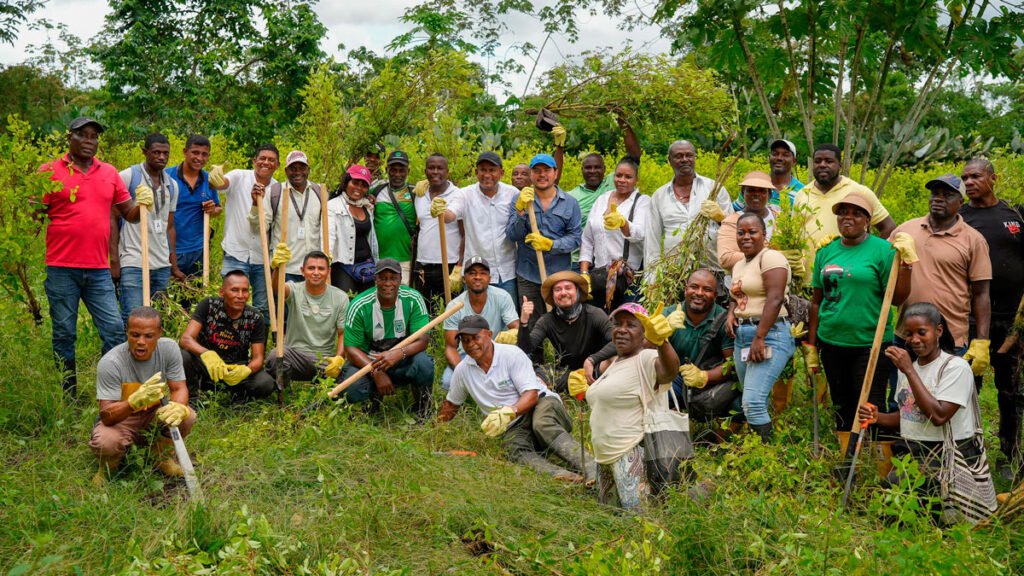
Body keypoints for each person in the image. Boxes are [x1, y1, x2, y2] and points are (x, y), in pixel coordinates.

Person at [41, 117, 150, 399]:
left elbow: (129, 214)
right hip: (62, 267)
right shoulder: (49, 171)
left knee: (114, 330)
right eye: (83, 135)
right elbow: (31, 216)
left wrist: (144, 204)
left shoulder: (109, 173)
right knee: (65, 333)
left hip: (98, 269)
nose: (90, 141)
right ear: (70, 138)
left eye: (94, 136)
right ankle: (69, 395)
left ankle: (113, 391)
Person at [858, 302, 995, 522]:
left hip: (947, 454)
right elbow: (909, 417)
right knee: (890, 505)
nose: (914, 340)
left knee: (902, 501)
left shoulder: (954, 368)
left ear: (938, 331)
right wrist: (878, 417)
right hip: (914, 453)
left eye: (922, 332)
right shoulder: (908, 369)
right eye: (909, 334)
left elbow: (938, 416)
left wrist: (910, 371)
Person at [803, 192, 916, 432]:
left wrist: (906, 266)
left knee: (868, 407)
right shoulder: (826, 252)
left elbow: (896, 298)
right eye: (843, 212)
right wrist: (812, 345)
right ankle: (847, 457)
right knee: (841, 405)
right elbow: (816, 302)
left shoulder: (882, 251)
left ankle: (872, 457)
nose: (848, 218)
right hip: (831, 342)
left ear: (868, 220)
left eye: (856, 214)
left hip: (870, 344)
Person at [438, 315, 597, 483]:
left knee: (542, 424)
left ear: (489, 334)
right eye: (465, 340)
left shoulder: (511, 354)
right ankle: (564, 477)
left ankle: (592, 468)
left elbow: (531, 395)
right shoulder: (462, 370)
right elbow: (451, 404)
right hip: (513, 424)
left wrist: (509, 412)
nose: (471, 344)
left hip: (541, 403)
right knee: (513, 450)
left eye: (476, 338)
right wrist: (436, 431)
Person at [569, 302, 678, 509]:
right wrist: (585, 391)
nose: (621, 330)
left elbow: (669, 371)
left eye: (631, 325)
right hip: (604, 457)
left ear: (644, 332)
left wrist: (662, 342)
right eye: (617, 324)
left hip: (630, 452)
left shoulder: (646, 358)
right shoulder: (614, 364)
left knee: (639, 520)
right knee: (609, 517)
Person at [960, 158, 1024, 477]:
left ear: (993, 179)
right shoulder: (959, 217)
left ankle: (1008, 454)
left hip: (1011, 322)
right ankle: (971, 453)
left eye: (975, 176)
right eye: (965, 178)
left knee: (1010, 390)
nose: (969, 182)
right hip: (970, 321)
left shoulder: (1015, 216)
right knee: (967, 387)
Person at [89, 307, 195, 486]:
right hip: (121, 419)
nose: (141, 342)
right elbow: (106, 415)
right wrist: (131, 403)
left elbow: (179, 388)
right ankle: (108, 466)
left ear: (159, 333)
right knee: (106, 442)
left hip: (153, 413)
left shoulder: (169, 349)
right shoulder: (111, 363)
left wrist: (177, 407)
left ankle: (162, 458)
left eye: (148, 336)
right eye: (135, 335)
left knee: (187, 415)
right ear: (127, 333)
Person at [892, 174, 991, 361]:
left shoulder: (973, 240)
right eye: (935, 193)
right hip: (906, 334)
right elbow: (880, 265)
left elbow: (981, 293)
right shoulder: (906, 230)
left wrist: (982, 340)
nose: (938, 198)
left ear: (961, 202)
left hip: (949, 337)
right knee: (903, 390)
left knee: (944, 390)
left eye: (947, 195)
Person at [725, 212, 795, 441]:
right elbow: (737, 296)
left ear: (764, 235)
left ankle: (768, 457)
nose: (746, 237)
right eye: (741, 232)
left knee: (752, 402)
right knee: (754, 398)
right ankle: (757, 455)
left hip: (769, 333)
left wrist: (760, 336)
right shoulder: (739, 265)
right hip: (743, 336)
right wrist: (730, 314)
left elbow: (775, 298)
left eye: (752, 232)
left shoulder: (771, 258)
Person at [339, 259, 434, 417]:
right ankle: (372, 402)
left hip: (402, 359)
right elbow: (351, 349)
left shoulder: (413, 299)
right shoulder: (359, 305)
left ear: (400, 279)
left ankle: (422, 408)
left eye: (393, 278)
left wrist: (399, 353)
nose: (388, 283)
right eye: (383, 278)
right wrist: (376, 371)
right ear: (375, 279)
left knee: (424, 364)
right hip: (368, 362)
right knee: (352, 389)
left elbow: (423, 340)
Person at [549, 116, 643, 271]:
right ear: (582, 170)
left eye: (597, 167)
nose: (592, 171)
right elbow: (551, 183)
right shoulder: (573, 196)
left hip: (613, 260)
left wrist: (620, 119)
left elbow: (634, 157)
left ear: (605, 170)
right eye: (588, 168)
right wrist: (559, 146)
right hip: (580, 260)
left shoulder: (615, 182)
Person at [506, 154, 583, 331]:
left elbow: (575, 239)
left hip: (559, 277)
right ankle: (535, 359)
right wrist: (520, 211)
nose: (542, 175)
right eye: (537, 171)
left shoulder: (570, 203)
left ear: (555, 173)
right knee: (531, 326)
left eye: (546, 170)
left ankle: (562, 358)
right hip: (528, 275)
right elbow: (512, 235)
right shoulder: (521, 200)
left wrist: (551, 244)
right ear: (531, 175)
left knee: (564, 326)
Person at [111, 133, 181, 326]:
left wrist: (172, 263)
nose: (161, 157)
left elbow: (170, 226)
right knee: (133, 318)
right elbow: (113, 217)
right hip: (133, 260)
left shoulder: (172, 185)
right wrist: (114, 259)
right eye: (156, 152)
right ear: (145, 152)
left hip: (160, 263)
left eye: (165, 153)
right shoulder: (128, 177)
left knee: (157, 319)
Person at [208, 145, 280, 324]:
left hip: (262, 256)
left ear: (277, 165)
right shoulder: (240, 176)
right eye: (262, 158)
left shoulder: (278, 189)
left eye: (271, 160)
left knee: (262, 306)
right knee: (230, 302)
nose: (266, 162)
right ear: (254, 161)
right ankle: (227, 343)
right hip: (236, 252)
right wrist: (216, 178)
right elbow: (221, 184)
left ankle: (259, 347)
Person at [435, 151, 520, 302]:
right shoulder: (465, 194)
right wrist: (441, 211)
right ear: (476, 172)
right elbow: (450, 215)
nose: (487, 175)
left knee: (509, 321)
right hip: (476, 274)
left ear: (501, 173)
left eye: (492, 170)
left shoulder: (512, 193)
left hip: (507, 272)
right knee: (475, 321)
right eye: (483, 170)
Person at [179, 271, 275, 402]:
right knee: (183, 356)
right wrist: (207, 354)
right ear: (222, 292)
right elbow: (185, 339)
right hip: (208, 366)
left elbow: (258, 358)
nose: (240, 296)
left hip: (235, 369)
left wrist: (246, 370)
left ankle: (239, 398)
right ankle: (193, 398)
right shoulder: (208, 305)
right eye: (234, 290)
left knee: (265, 383)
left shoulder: (255, 317)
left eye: (245, 291)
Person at [517, 271, 617, 392]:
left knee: (615, 358)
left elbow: (617, 341)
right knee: (538, 375)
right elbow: (526, 349)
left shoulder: (594, 314)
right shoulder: (546, 320)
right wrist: (523, 322)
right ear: (553, 296)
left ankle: (607, 392)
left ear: (578, 292)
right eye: (558, 289)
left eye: (568, 288)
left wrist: (592, 359)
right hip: (565, 374)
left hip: (595, 370)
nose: (563, 293)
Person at [644, 140, 732, 275]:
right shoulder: (659, 196)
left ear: (694, 158)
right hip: (674, 274)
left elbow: (733, 230)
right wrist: (651, 278)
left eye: (689, 155)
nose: (684, 160)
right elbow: (652, 241)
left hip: (713, 270)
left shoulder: (714, 188)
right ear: (669, 160)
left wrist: (722, 219)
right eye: (678, 156)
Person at [266, 248, 349, 389]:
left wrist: (339, 358)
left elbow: (343, 333)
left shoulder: (340, 297)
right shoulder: (295, 290)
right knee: (276, 356)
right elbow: (277, 289)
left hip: (323, 359)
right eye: (311, 268)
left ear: (328, 272)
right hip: (295, 356)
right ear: (302, 271)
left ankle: (323, 385)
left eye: (321, 269)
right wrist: (278, 268)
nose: (316, 272)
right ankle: (281, 389)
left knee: (349, 373)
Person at [664, 270, 736, 426]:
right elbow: (644, 352)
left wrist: (704, 377)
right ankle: (663, 433)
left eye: (707, 290)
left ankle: (720, 442)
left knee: (738, 404)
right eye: (694, 287)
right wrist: (660, 334)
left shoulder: (724, 319)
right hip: (674, 378)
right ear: (685, 289)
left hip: (710, 381)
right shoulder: (669, 313)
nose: (699, 293)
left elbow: (732, 364)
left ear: (716, 296)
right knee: (651, 393)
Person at [579, 157, 650, 310]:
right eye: (618, 175)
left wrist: (623, 223)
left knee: (624, 323)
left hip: (627, 280)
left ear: (636, 179)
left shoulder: (642, 201)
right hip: (599, 278)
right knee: (599, 324)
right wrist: (584, 272)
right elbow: (587, 239)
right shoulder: (602, 199)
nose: (622, 180)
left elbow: (641, 234)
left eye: (628, 177)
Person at [441, 257, 519, 389]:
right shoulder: (454, 306)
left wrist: (515, 332)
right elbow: (451, 348)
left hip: (496, 352)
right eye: (472, 273)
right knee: (448, 383)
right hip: (467, 355)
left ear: (489, 278)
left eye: (482, 273)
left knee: (512, 382)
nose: (477, 277)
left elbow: (516, 327)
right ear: (464, 279)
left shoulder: (502, 297)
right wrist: (463, 372)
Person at [794, 144, 896, 246]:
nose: (822, 165)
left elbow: (888, 227)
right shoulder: (802, 194)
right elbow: (795, 234)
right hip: (809, 262)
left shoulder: (859, 192)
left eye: (829, 161)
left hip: (849, 262)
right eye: (817, 161)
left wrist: (871, 254)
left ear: (840, 165)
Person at [253, 150, 324, 283]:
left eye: (302, 168)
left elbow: (327, 228)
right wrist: (255, 204)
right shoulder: (275, 192)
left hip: (314, 269)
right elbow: (260, 226)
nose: (297, 172)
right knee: (283, 304)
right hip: (285, 267)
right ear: (286, 171)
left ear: (308, 169)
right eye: (293, 168)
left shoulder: (319, 192)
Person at [166, 134, 222, 279]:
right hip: (170, 250)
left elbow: (218, 208)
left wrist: (212, 210)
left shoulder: (209, 179)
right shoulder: (167, 177)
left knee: (197, 297)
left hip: (199, 249)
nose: (200, 158)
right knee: (169, 297)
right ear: (185, 152)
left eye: (204, 154)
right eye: (195, 152)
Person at [412, 153, 463, 305]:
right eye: (431, 168)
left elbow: (455, 223)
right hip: (423, 265)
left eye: (440, 168)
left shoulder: (457, 194)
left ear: (447, 172)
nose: (435, 172)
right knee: (426, 311)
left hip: (449, 265)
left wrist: (460, 266)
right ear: (425, 171)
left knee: (451, 312)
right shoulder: (420, 195)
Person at [328, 164, 378, 294]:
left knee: (367, 306)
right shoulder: (332, 206)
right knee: (346, 304)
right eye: (355, 183)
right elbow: (328, 237)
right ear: (346, 182)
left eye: (363, 185)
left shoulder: (367, 207)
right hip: (343, 266)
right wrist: (325, 262)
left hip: (367, 266)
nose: (358, 188)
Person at [718, 171, 780, 272]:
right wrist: (771, 258)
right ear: (743, 193)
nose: (756, 194)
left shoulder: (779, 218)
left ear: (769, 195)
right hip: (740, 284)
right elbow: (726, 258)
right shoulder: (731, 222)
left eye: (762, 191)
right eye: (751, 190)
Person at [372, 151, 417, 285]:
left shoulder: (415, 193)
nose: (397, 174)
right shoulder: (376, 191)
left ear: (408, 171)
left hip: (406, 260)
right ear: (386, 170)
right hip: (379, 259)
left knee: (404, 298)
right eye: (393, 170)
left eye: (401, 170)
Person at [732, 139, 804, 211]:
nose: (779, 158)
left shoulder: (802, 192)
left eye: (785, 155)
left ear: (794, 161)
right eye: (775, 154)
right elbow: (733, 212)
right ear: (769, 158)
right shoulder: (754, 185)